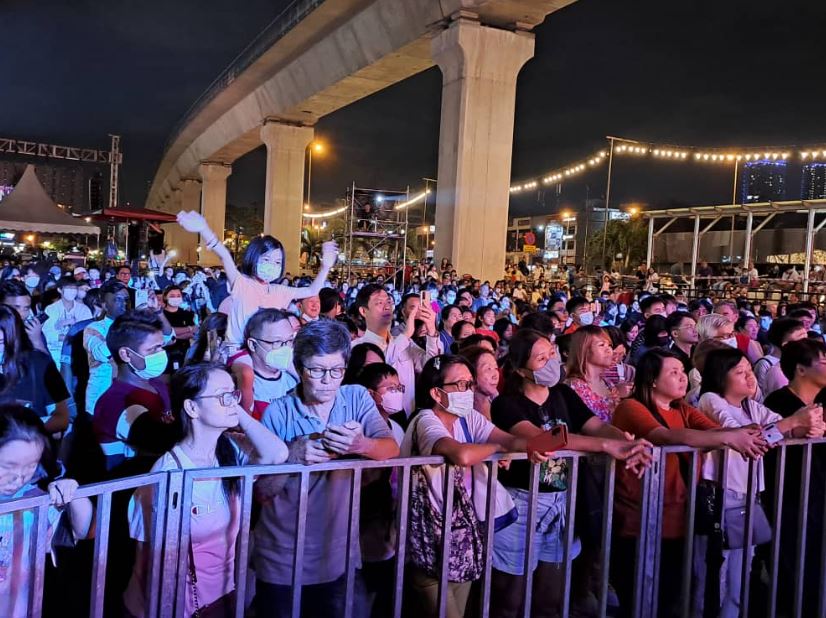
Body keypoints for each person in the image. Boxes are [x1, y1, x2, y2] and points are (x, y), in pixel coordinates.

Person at [490, 329, 652, 618]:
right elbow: (544, 438)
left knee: (551, 597)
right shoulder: (506, 403)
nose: (551, 362)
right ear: (520, 369)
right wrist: (606, 445)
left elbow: (595, 425)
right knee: (510, 599)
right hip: (522, 502)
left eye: (551, 354)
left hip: (561, 499)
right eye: (541, 359)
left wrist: (624, 440)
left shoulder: (563, 393)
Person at [255, 319, 399, 618]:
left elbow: (391, 449)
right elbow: (262, 492)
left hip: (339, 552)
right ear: (298, 368)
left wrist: (360, 444)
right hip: (283, 556)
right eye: (316, 370)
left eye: (336, 371)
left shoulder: (355, 397)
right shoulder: (278, 411)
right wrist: (293, 455)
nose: (327, 381)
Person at [610, 349, 768, 617]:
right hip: (641, 519)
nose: (683, 377)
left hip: (681, 517)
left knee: (672, 596)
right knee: (640, 597)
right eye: (674, 372)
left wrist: (744, 432)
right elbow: (664, 436)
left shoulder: (682, 408)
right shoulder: (631, 407)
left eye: (683, 371)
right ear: (652, 380)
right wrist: (730, 438)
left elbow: (716, 431)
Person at [124, 363, 287, 618]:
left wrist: (236, 410)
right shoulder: (168, 472)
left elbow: (277, 454)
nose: (232, 402)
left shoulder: (231, 448)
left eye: (233, 394)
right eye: (222, 396)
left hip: (222, 596)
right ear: (192, 407)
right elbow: (147, 559)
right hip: (179, 606)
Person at [401, 354, 548, 618]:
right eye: (460, 384)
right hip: (429, 539)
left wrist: (531, 445)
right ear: (436, 392)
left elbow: (507, 439)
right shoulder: (426, 420)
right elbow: (462, 454)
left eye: (470, 384)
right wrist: (495, 449)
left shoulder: (468, 418)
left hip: (461, 539)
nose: (468, 391)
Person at [694, 347, 823, 617]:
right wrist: (792, 423)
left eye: (749, 370)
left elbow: (781, 428)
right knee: (716, 572)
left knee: (741, 573)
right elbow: (742, 435)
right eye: (740, 372)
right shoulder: (710, 400)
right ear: (720, 376)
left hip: (749, 496)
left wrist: (808, 427)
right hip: (722, 494)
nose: (749, 377)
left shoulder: (751, 406)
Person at [176, 210, 338, 347]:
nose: (271, 266)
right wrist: (204, 229)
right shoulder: (241, 284)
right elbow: (225, 256)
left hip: (267, 354)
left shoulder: (280, 291)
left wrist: (325, 267)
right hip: (238, 352)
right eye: (266, 260)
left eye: (277, 262)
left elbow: (312, 290)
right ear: (253, 258)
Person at [0, 404, 94, 618]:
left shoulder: (35, 498)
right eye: (8, 466)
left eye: (30, 465)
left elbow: (81, 531)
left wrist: (73, 493)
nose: (19, 477)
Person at [764, 338, 826, 615]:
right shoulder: (777, 402)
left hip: (820, 492)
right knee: (791, 563)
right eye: (823, 362)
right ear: (800, 369)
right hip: (787, 494)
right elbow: (769, 439)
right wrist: (797, 429)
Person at [92, 310, 181, 472]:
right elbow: (160, 442)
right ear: (126, 354)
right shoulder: (114, 402)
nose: (161, 354)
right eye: (153, 350)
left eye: (161, 347)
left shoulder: (157, 385)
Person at [352, 284, 440, 416]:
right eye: (379, 303)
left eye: (389, 302)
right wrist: (405, 335)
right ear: (363, 311)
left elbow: (435, 367)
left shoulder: (406, 344)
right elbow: (382, 368)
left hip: (406, 418)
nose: (387, 307)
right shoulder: (356, 347)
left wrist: (432, 331)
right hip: (373, 420)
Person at [0, 305, 71, 434]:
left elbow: (61, 418)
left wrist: (20, 431)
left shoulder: (40, 364)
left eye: (0, 342)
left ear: (14, 339)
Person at [228, 308, 298, 420]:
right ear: (252, 345)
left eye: (290, 340)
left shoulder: (296, 379)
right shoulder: (242, 387)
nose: (285, 348)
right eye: (277, 342)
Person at [83, 280, 131, 415]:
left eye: (126, 300)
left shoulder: (135, 326)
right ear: (105, 305)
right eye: (118, 300)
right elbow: (101, 354)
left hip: (129, 394)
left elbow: (168, 339)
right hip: (102, 393)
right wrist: (124, 328)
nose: (124, 304)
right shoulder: (94, 328)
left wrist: (158, 313)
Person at [565, 326, 632, 423]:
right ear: (584, 350)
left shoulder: (608, 384)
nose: (609, 350)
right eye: (602, 345)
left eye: (609, 345)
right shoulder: (573, 387)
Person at [41, 276, 92, 367]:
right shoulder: (51, 309)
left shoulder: (84, 309)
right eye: (69, 288)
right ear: (60, 290)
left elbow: (87, 332)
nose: (72, 291)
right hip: (55, 351)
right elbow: (48, 333)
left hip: (76, 352)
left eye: (74, 288)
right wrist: (67, 337)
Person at [754, 318, 807, 396]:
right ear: (786, 344)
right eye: (801, 339)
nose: (807, 344)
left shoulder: (803, 363)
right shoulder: (774, 370)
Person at [0, 279, 48, 354]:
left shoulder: (33, 332)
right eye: (16, 308)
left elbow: (47, 361)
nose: (22, 314)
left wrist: (37, 341)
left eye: (26, 308)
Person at [459, 345, 500, 420]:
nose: (495, 376)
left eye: (496, 368)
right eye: (488, 369)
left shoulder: (495, 397)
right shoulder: (464, 412)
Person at [161, 285, 197, 372]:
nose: (176, 298)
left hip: (184, 353)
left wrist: (170, 336)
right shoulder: (160, 315)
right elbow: (161, 333)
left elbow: (192, 333)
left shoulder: (187, 314)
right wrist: (188, 328)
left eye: (178, 296)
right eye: (172, 296)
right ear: (165, 297)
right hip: (165, 353)